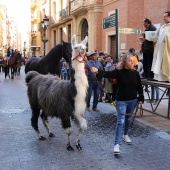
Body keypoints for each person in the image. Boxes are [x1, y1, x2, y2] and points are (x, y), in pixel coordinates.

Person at [91, 54, 144, 154]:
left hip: (133, 100)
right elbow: (108, 74)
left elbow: (139, 87)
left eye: (133, 61)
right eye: (130, 61)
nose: (132, 63)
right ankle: (116, 144)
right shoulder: (119, 72)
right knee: (120, 122)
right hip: (121, 101)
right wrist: (97, 71)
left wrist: (141, 97)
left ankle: (126, 134)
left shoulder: (136, 73)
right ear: (124, 62)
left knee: (128, 119)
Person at [144, 12, 170, 82]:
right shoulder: (162, 26)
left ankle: (168, 78)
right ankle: (162, 78)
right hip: (161, 49)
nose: (163, 18)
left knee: (167, 62)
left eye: (165, 16)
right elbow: (155, 35)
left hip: (167, 49)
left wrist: (166, 38)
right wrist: (146, 34)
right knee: (160, 62)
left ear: (169, 17)